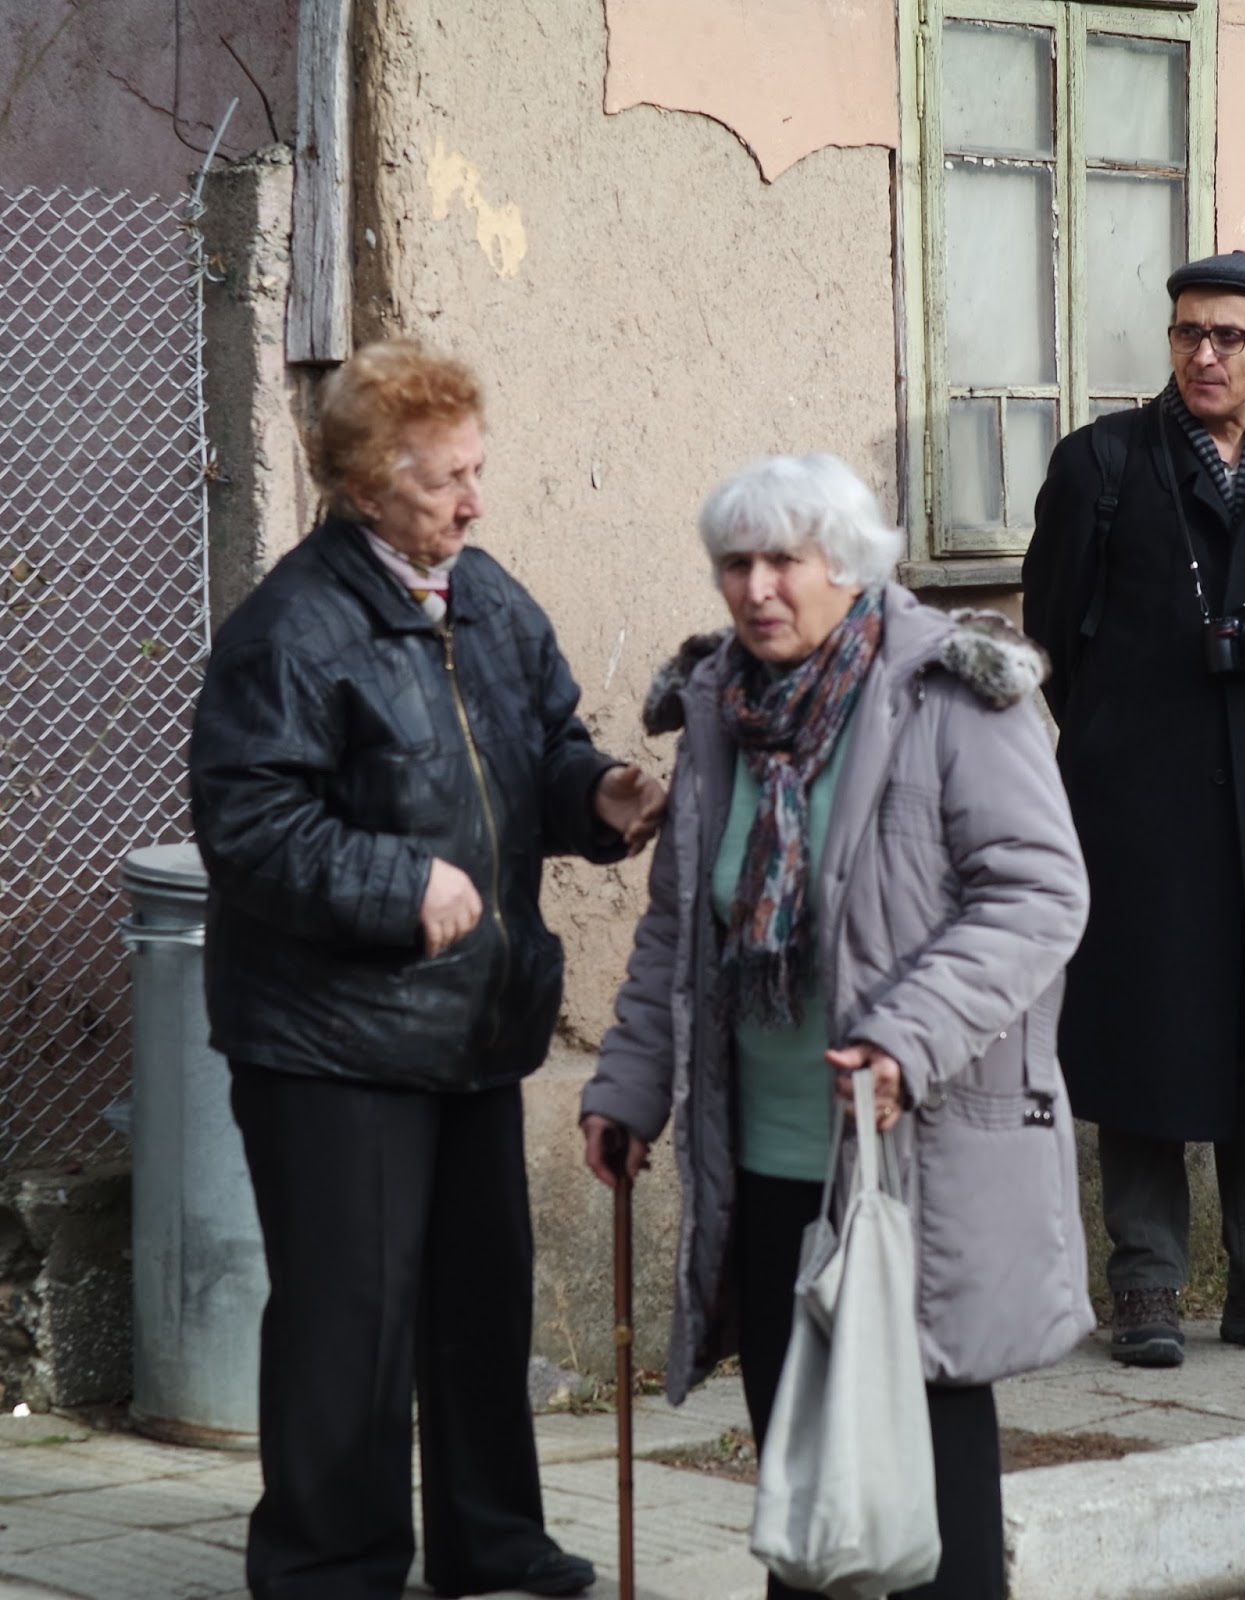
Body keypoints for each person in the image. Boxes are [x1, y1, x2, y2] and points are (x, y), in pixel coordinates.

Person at [188, 339, 664, 1600]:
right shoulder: (292, 628)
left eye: (476, 470)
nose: (473, 502)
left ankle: (489, 1541)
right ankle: (330, 1565)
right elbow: (249, 829)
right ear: (364, 485)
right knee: (350, 1319)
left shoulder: (485, 595)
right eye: (445, 480)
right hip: (330, 1038)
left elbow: (539, 747)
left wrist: (595, 793)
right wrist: (398, 883)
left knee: (479, 1300)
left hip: (470, 1021)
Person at [578, 453, 1093, 1600]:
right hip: (769, 1164)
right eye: (734, 563)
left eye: (783, 561)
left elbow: (1039, 892)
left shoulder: (949, 693)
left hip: (916, 1156)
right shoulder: (719, 709)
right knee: (807, 1497)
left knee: (928, 1509)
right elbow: (677, 928)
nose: (755, 587)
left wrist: (908, 1037)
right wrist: (628, 1087)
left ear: (849, 567)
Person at [1021, 251, 1245, 1369]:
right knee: (1145, 1028)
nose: (1204, 354)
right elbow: (1052, 628)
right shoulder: (1102, 464)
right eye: (1186, 333)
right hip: (1141, 799)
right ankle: (1145, 1284)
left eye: (1228, 335)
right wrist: (1117, 739)